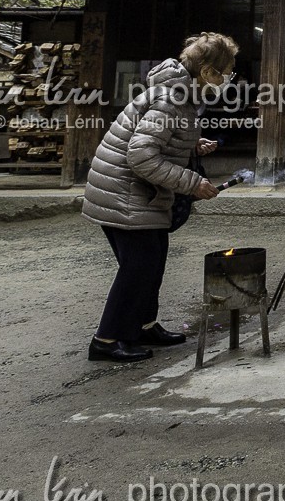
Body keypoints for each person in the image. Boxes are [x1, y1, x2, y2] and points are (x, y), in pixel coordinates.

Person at [82, 32, 234, 362]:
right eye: (226, 72)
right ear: (207, 71)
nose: (228, 79)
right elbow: (141, 156)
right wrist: (192, 182)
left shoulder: (181, 94)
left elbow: (159, 137)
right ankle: (106, 340)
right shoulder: (172, 99)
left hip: (136, 192)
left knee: (153, 261)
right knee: (138, 267)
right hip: (124, 192)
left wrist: (191, 145)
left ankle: (143, 325)